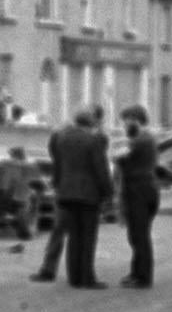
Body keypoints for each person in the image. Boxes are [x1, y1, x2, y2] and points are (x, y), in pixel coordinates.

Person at [33, 108, 113, 287]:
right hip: (88, 194)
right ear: (91, 123)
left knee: (73, 237)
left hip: (66, 193)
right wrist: (108, 192)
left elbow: (57, 163)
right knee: (88, 237)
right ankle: (87, 278)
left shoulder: (61, 138)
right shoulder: (94, 141)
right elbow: (100, 169)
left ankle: (74, 277)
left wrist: (58, 185)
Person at [115, 105, 160, 287]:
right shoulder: (146, 138)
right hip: (146, 189)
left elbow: (121, 156)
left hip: (138, 191)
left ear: (135, 119)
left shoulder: (141, 140)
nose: (124, 124)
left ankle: (142, 277)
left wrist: (117, 157)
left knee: (139, 235)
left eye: (126, 120)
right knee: (137, 234)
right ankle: (136, 272)